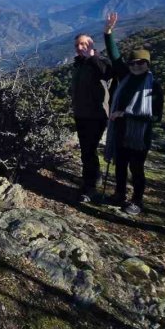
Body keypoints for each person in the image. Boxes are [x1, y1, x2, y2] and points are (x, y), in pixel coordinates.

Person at [103, 13, 164, 215]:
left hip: (140, 136)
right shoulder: (126, 77)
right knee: (120, 166)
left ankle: (137, 201)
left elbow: (155, 116)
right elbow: (115, 56)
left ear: (148, 64)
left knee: (137, 169)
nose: (136, 66)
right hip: (121, 133)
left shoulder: (153, 87)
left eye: (141, 63)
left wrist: (125, 114)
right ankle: (119, 194)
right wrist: (108, 32)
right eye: (133, 63)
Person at [70, 27, 113, 202]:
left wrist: (92, 57)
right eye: (77, 45)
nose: (80, 47)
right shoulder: (79, 64)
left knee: (89, 150)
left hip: (96, 114)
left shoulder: (100, 61)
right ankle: (91, 179)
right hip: (81, 113)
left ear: (91, 44)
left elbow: (107, 72)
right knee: (86, 150)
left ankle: (90, 187)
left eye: (83, 44)